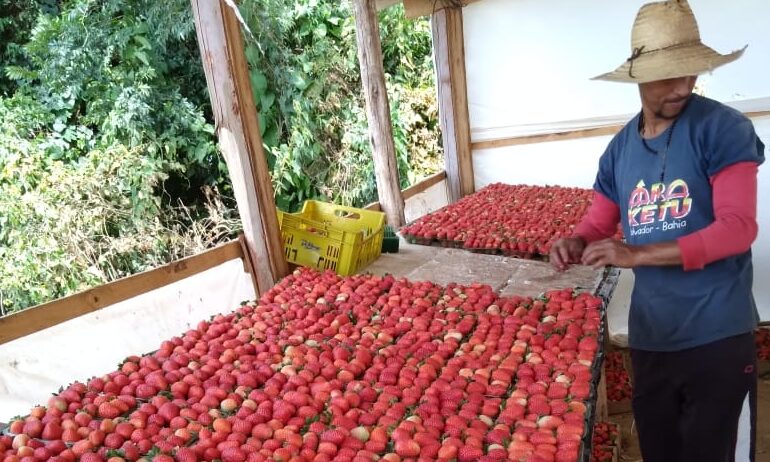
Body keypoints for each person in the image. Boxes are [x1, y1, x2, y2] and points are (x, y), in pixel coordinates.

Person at [549, 1, 765, 461]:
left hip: (718, 337)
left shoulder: (723, 129)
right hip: (652, 340)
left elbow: (738, 229)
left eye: (690, 72)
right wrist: (576, 240)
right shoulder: (620, 150)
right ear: (639, 78)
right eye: (670, 75)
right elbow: (597, 221)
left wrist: (637, 254)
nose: (684, 85)